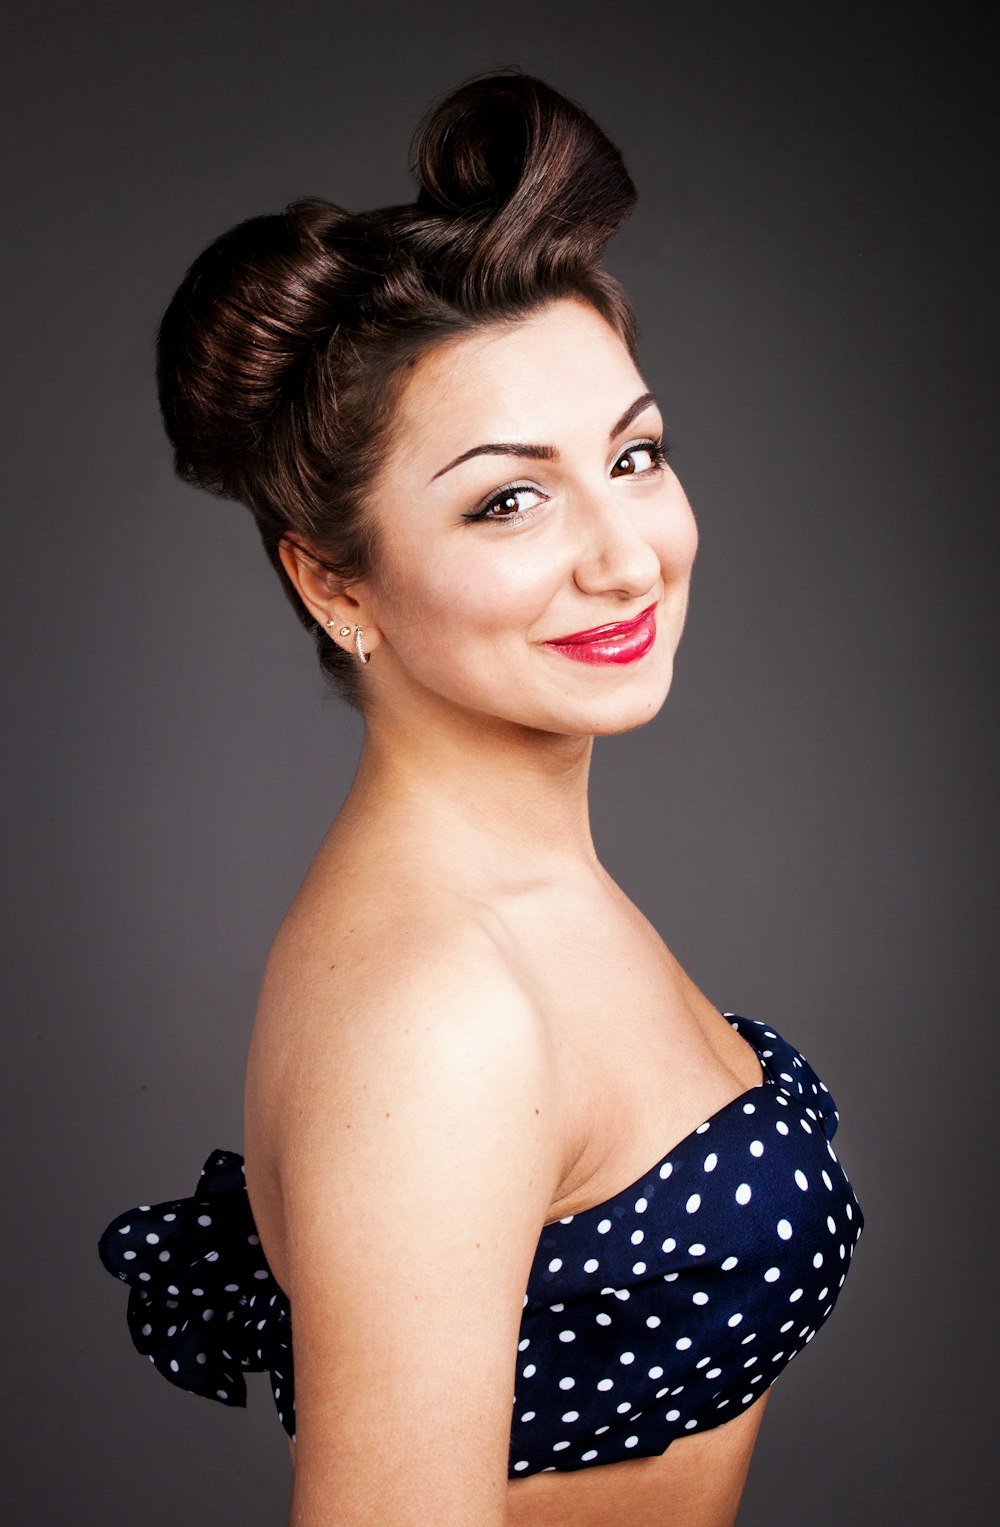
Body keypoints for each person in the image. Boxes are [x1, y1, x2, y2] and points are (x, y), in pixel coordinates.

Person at [99, 73, 864, 1526]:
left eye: (633, 457)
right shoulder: (436, 1014)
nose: (627, 556)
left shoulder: (526, 899)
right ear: (333, 583)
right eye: (510, 498)